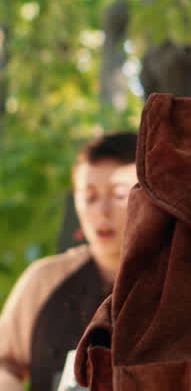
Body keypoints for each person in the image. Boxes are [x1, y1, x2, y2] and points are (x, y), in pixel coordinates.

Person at [0, 132, 139, 391]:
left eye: (119, 195)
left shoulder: (179, 282)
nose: (102, 211)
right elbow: (3, 362)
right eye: (90, 197)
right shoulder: (44, 279)